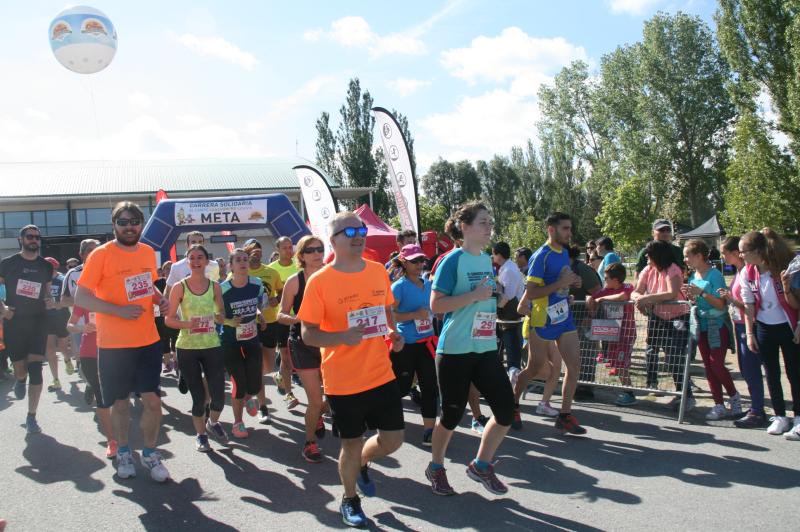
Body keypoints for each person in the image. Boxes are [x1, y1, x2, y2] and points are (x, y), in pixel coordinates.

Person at [297, 211, 405, 527]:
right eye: (349, 231)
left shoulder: (377, 272)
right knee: (350, 444)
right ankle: (349, 499)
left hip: (381, 373)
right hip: (343, 381)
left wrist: (393, 334)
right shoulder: (319, 281)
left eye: (360, 230)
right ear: (333, 241)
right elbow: (308, 333)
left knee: (393, 440)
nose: (358, 235)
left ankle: (364, 462)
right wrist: (341, 337)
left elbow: (386, 313)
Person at [75, 202, 171, 482]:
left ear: (141, 223)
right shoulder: (101, 255)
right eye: (123, 221)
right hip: (114, 346)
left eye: (134, 221)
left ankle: (151, 454)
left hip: (147, 341)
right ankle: (125, 452)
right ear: (114, 224)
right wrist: (118, 311)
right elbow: (81, 297)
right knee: (120, 404)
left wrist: (159, 299)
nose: (129, 226)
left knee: (153, 402)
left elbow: (147, 284)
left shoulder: (145, 251)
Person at [426, 201, 515, 497]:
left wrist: (495, 298)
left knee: (505, 410)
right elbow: (436, 305)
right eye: (483, 223)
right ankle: (436, 467)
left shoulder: (487, 259)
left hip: (486, 346)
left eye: (490, 222)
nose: (489, 228)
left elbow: (482, 299)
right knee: (451, 416)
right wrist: (475, 295)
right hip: (455, 349)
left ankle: (481, 465)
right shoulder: (452, 260)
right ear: (465, 227)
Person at [512, 212, 587, 435]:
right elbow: (532, 292)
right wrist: (561, 284)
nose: (569, 232)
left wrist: (572, 283)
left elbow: (560, 283)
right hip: (542, 319)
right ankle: (513, 404)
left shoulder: (564, 253)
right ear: (551, 229)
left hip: (563, 318)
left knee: (574, 367)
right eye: (565, 228)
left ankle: (565, 415)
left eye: (570, 228)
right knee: (534, 368)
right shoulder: (540, 256)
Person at [165, 244, 228, 452]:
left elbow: (221, 314)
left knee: (218, 396)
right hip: (188, 346)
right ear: (187, 261)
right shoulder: (179, 287)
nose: (196, 261)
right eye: (191, 258)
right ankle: (201, 435)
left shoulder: (215, 286)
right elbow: (169, 319)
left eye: (200, 257)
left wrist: (219, 317)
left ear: (207, 261)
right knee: (199, 397)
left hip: (211, 344)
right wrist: (187, 324)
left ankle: (213, 422)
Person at [738, 229, 800, 438]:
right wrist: (750, 333)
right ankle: (780, 416)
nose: (741, 255)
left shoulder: (782, 268)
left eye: (743, 251)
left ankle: (798, 418)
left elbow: (795, 302)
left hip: (787, 326)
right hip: (764, 327)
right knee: (771, 373)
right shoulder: (747, 272)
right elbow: (748, 305)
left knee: (794, 373)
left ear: (757, 251)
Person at [278, 236, 328, 463]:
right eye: (311, 250)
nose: (317, 253)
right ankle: (309, 443)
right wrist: (298, 318)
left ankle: (317, 415)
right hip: (302, 343)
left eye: (320, 249)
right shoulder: (295, 281)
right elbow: (280, 314)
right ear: (301, 256)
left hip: (330, 343)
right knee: (315, 400)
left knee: (333, 396)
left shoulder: (332, 276)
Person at [0, 225, 54, 434]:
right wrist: (4, 309)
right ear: (21, 239)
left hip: (38, 322)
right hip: (15, 323)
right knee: (21, 368)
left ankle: (31, 416)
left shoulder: (45, 266)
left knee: (36, 370)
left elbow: (48, 293)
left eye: (37, 237)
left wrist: (50, 301)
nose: (34, 240)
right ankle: (20, 379)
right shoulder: (8, 264)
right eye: (30, 237)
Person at [631, 240, 694, 410]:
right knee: (660, 353)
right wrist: (639, 299)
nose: (646, 256)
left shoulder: (673, 269)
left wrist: (647, 299)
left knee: (674, 357)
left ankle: (686, 395)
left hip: (678, 317)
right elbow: (636, 290)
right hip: (658, 317)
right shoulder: (648, 269)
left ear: (657, 255)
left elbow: (672, 293)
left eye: (648, 253)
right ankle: (677, 393)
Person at [683, 239, 741, 421]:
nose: (685, 259)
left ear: (699, 256)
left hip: (717, 326)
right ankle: (718, 404)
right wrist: (691, 297)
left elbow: (721, 304)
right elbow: (697, 301)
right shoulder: (693, 277)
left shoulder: (715, 275)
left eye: (687, 255)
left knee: (716, 363)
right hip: (702, 326)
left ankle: (734, 397)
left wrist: (701, 294)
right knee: (708, 367)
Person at [391, 243, 438, 446]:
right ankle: (387, 422)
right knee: (401, 387)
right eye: (415, 261)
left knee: (429, 386)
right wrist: (413, 315)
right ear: (404, 262)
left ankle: (429, 430)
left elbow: (433, 308)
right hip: (406, 344)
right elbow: (390, 315)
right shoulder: (398, 287)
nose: (420, 264)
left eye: (422, 260)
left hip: (426, 342)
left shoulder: (427, 284)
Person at [718, 236, 767, 428]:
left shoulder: (747, 272)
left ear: (735, 253)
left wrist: (731, 299)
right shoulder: (740, 272)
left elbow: (751, 305)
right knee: (746, 368)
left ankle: (757, 410)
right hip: (739, 324)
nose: (722, 257)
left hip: (748, 325)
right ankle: (756, 407)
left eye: (724, 253)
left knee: (752, 368)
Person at [220, 249, 266, 439]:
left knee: (254, 384)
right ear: (231, 266)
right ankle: (237, 423)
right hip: (230, 341)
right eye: (238, 260)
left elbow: (257, 305)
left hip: (252, 339)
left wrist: (259, 315)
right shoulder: (222, 289)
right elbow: (216, 315)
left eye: (245, 259)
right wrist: (230, 322)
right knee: (238, 383)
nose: (242, 263)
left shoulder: (257, 284)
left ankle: (249, 397)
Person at [242, 238, 287, 422]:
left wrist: (278, 299)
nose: (257, 252)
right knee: (257, 365)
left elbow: (282, 290)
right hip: (249, 324)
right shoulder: (240, 272)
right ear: (246, 252)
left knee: (267, 366)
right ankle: (263, 406)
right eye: (252, 249)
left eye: (259, 249)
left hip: (270, 322)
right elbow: (226, 292)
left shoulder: (271, 272)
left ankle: (265, 379)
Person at [67, 306, 116, 458]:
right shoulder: (85, 299)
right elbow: (70, 325)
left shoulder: (113, 295)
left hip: (115, 350)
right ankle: (111, 441)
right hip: (89, 353)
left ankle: (120, 437)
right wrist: (83, 327)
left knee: (116, 396)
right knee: (102, 397)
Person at [586, 262, 637, 406]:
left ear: (616, 280)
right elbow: (592, 298)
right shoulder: (605, 289)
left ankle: (629, 393)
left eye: (607, 278)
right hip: (612, 333)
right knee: (616, 363)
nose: (605, 281)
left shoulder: (627, 287)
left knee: (621, 364)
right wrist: (592, 306)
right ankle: (626, 389)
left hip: (626, 334)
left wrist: (602, 299)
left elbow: (623, 296)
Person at [268, 236, 300, 409]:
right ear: (278, 250)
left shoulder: (300, 265)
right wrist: (273, 300)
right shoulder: (272, 270)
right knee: (286, 358)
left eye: (291, 247)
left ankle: (280, 376)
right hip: (281, 319)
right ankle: (289, 394)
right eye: (285, 248)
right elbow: (267, 295)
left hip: (302, 318)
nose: (289, 250)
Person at [60, 239, 101, 371]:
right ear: (81, 254)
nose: (94, 252)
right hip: (82, 325)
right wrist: (84, 301)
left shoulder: (107, 271)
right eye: (90, 250)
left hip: (107, 325)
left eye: (97, 249)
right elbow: (64, 301)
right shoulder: (72, 274)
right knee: (86, 365)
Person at [567, 245, 602, 399]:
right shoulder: (565, 269)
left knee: (587, 353)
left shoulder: (583, 269)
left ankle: (586, 388)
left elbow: (598, 292)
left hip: (585, 319)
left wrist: (591, 315)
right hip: (570, 319)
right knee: (573, 355)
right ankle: (574, 385)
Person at [492, 242, 525, 384]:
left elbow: (507, 296)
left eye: (493, 254)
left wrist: (496, 310)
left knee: (512, 357)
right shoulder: (508, 268)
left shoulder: (508, 270)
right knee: (505, 355)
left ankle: (513, 389)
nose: (492, 257)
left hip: (509, 320)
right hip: (508, 319)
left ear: (498, 255)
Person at [43, 257, 72, 391]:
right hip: (46, 318)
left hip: (61, 317)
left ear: (54, 267)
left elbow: (69, 300)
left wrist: (57, 304)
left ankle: (67, 359)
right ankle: (56, 379)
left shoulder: (62, 279)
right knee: (49, 349)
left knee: (62, 347)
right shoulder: (41, 281)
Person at [154, 261, 177, 374]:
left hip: (176, 316)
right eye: (167, 268)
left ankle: (176, 361)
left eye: (171, 268)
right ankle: (167, 364)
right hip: (160, 316)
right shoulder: (158, 282)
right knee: (164, 339)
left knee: (175, 338)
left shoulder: (178, 283)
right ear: (163, 271)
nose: (169, 270)